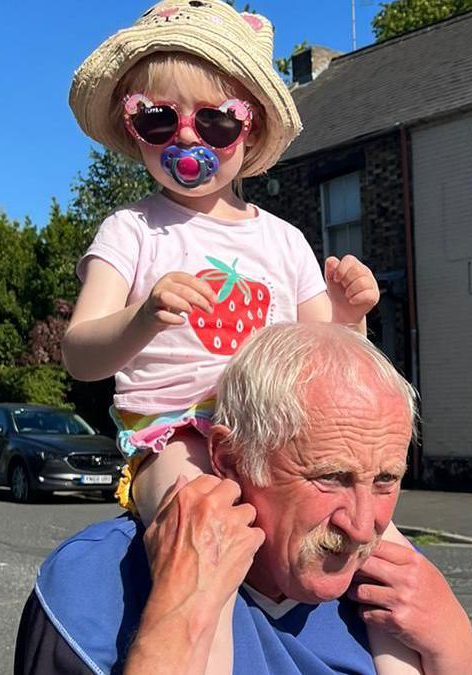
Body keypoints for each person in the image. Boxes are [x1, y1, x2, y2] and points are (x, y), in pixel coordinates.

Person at [60, 2, 416, 671]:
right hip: (177, 433)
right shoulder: (130, 231)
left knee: (388, 548)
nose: (184, 140)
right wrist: (139, 321)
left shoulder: (281, 239)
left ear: (248, 131)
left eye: (216, 121)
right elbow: (80, 353)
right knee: (208, 547)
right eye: (157, 119)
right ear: (132, 126)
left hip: (280, 441)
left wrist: (349, 316)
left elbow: (332, 363)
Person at [15, 324, 472, 674]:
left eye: (385, 480)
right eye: (331, 478)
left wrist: (454, 648)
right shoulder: (90, 591)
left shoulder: (403, 594)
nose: (362, 527)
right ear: (229, 458)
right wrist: (178, 618)